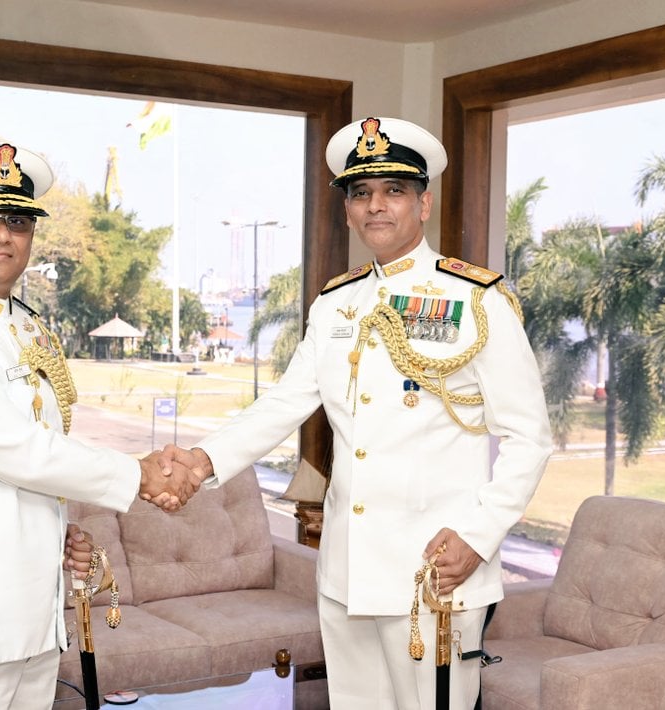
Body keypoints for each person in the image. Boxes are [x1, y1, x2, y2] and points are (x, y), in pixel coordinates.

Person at [163, 117, 552, 709]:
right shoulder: (336, 301)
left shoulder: (475, 300)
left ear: (424, 204)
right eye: (360, 193)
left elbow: (531, 438)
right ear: (347, 210)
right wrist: (200, 460)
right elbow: (289, 401)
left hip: (436, 570)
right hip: (347, 571)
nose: (376, 206)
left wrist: (478, 538)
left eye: (393, 191)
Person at [0, 141, 199, 709]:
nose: (2, 235)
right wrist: (140, 475)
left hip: (30, 617)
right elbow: (15, 450)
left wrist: (58, 530)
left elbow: (43, 450)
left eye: (17, 221)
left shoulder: (25, 323)